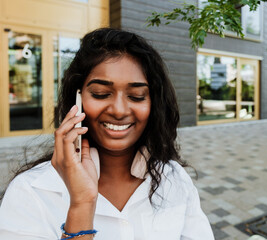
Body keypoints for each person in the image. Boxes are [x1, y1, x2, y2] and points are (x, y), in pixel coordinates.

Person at [0, 28, 214, 240]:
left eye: (137, 96)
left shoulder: (174, 178)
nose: (119, 110)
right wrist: (81, 205)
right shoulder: (29, 192)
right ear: (78, 98)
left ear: (153, 105)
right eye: (101, 94)